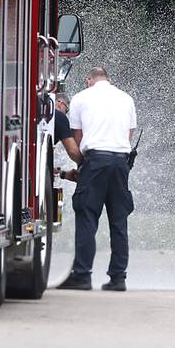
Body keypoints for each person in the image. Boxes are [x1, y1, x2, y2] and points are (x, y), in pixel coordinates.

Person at [57, 66, 137, 292]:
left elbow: (77, 138)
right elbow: (128, 135)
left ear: (89, 80)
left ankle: (82, 275)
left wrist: (83, 166)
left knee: (87, 217)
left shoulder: (82, 98)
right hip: (120, 162)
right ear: (108, 80)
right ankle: (118, 277)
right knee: (119, 221)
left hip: (95, 161)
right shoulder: (126, 98)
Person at [48, 92, 82, 175]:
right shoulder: (59, 116)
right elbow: (73, 151)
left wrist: (62, 174)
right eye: (66, 110)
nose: (65, 114)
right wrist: (87, 164)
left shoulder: (45, 115)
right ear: (61, 104)